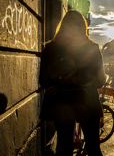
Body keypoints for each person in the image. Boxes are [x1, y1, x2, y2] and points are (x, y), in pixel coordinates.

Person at [39, 10, 106, 156]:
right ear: (83, 27)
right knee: (94, 147)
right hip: (87, 102)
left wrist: (61, 81)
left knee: (64, 147)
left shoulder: (51, 48)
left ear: (63, 26)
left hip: (61, 105)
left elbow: (43, 81)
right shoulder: (93, 48)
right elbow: (100, 81)